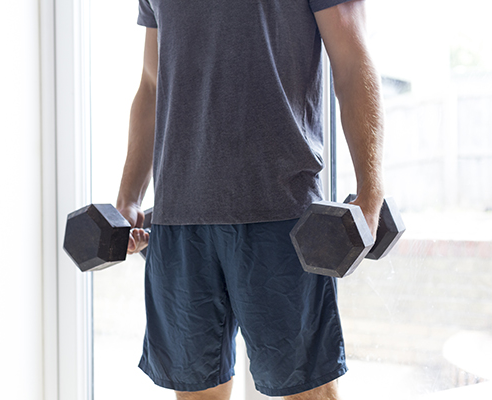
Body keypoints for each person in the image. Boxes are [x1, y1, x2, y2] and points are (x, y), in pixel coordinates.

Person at [116, 0, 384, 398]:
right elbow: (152, 84)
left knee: (306, 392)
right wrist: (128, 198)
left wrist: (370, 196)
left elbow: (351, 61)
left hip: (281, 214)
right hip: (179, 218)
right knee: (195, 393)